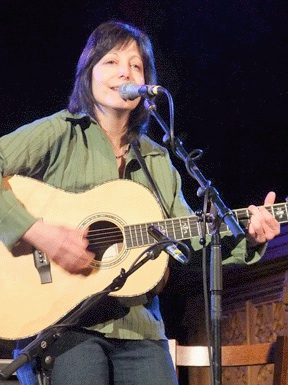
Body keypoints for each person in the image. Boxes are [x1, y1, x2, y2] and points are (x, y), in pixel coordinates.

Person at [0, 21, 280, 385]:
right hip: (63, 324)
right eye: (111, 62)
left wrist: (250, 236)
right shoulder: (60, 132)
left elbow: (191, 243)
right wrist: (40, 233)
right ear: (88, 74)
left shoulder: (158, 159)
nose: (125, 72)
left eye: (136, 65)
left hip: (140, 329)